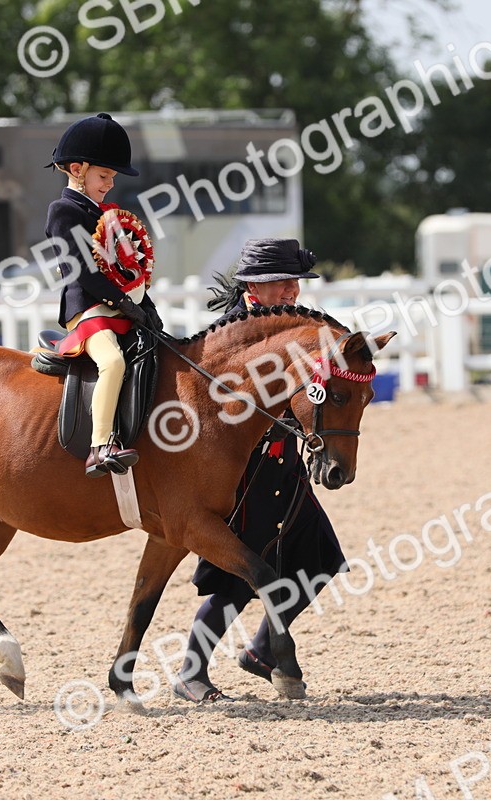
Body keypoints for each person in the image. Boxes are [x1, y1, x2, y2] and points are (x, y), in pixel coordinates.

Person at [171, 238, 348, 703]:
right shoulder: (226, 335)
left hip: (287, 466)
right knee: (236, 578)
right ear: (254, 285)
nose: (293, 290)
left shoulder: (299, 330)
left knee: (321, 559)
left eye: (295, 282)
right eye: (283, 283)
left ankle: (262, 650)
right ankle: (191, 672)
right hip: (244, 473)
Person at [44, 112, 161, 477]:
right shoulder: (63, 212)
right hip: (90, 310)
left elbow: (128, 273)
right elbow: (84, 271)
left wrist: (146, 306)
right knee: (112, 362)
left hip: (120, 306)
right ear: (77, 169)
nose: (110, 184)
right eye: (104, 176)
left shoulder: (108, 214)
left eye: (111, 177)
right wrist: (123, 303)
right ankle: (100, 445)